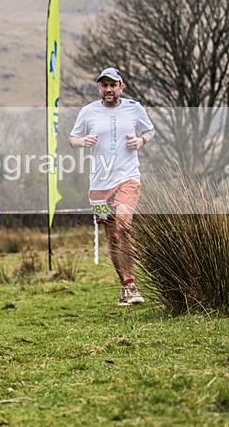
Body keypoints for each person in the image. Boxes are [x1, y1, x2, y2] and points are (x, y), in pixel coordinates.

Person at [70, 67, 154, 306]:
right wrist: (82, 141)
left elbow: (150, 130)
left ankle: (133, 283)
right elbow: (72, 139)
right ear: (99, 88)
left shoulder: (134, 108)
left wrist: (141, 140)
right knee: (113, 235)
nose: (108, 89)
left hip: (128, 176)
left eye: (112, 85)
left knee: (125, 223)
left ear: (121, 87)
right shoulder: (88, 112)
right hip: (98, 184)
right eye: (104, 85)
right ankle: (126, 286)